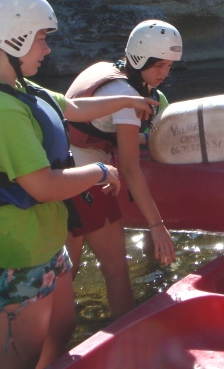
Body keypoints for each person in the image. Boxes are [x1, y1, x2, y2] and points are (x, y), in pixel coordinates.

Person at [0, 0, 157, 369]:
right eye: (41, 38)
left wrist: (128, 100)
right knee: (21, 359)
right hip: (15, 254)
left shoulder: (20, 89)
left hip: (44, 244)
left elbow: (73, 107)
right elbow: (42, 185)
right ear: (14, 38)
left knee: (62, 328)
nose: (47, 49)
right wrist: (99, 171)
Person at [64, 20, 181, 319]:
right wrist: (157, 226)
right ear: (140, 59)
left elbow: (99, 128)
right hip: (87, 180)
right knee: (116, 268)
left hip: (59, 175)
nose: (164, 73)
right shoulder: (126, 98)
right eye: (159, 65)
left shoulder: (105, 70)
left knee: (65, 274)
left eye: (169, 66)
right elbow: (129, 168)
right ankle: (127, 332)